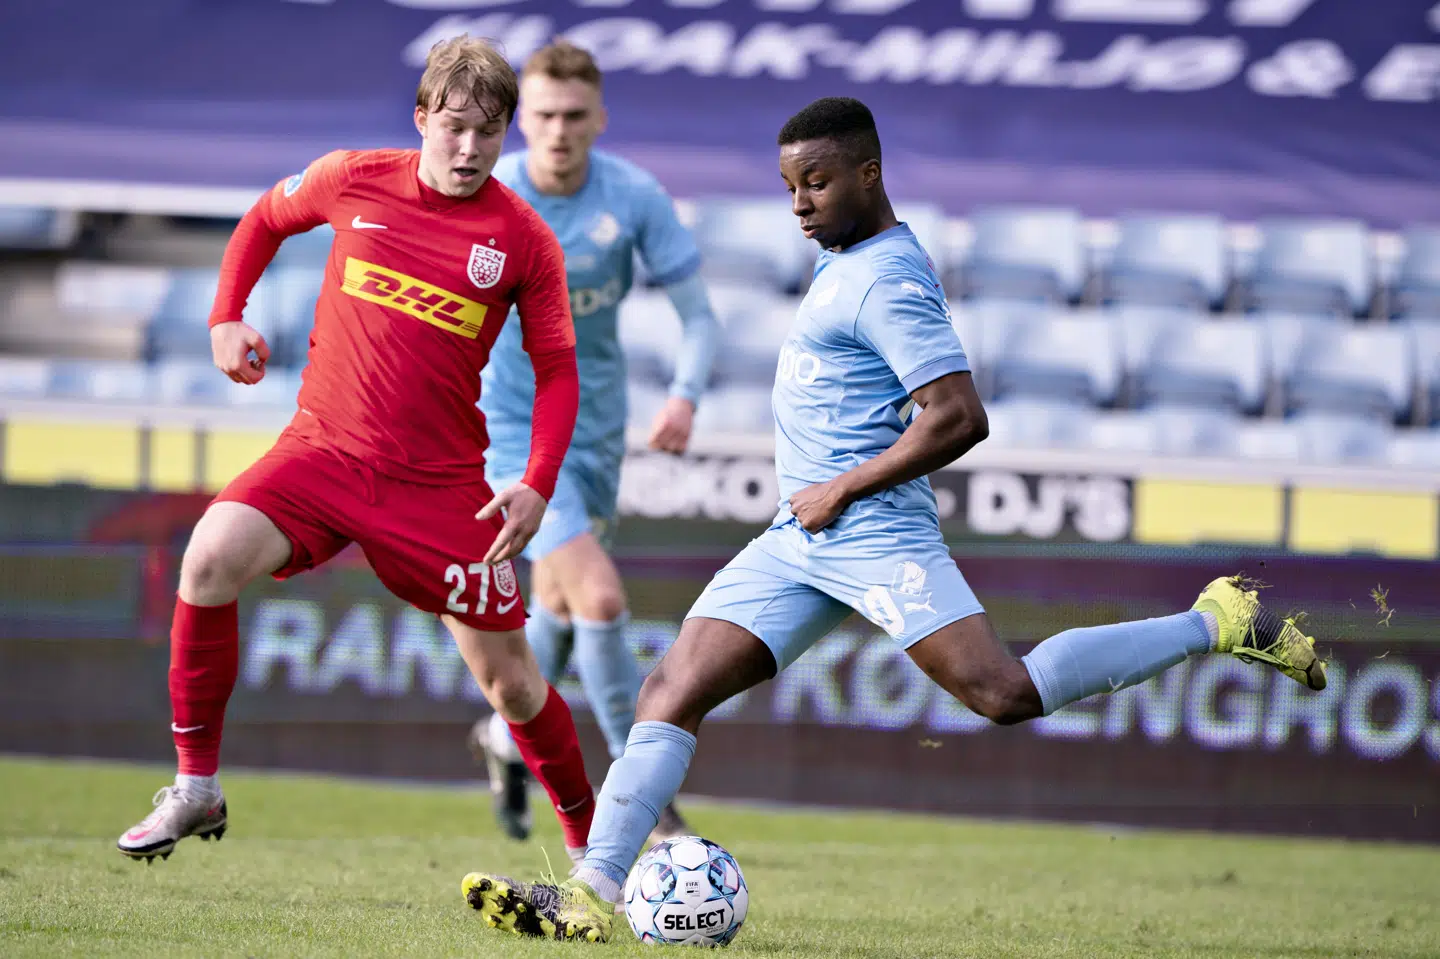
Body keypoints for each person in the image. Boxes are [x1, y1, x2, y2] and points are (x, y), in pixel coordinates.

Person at [456, 96, 1328, 942]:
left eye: (819, 183)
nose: (800, 204)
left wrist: (844, 487)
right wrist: (822, 500)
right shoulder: (848, 260)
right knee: (669, 690)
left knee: (1003, 692)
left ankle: (1216, 619)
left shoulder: (888, 281)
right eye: (791, 185)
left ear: (870, 175)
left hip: (872, 532)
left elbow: (957, 415)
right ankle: (590, 895)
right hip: (798, 540)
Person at [117, 36, 600, 865]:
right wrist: (226, 314)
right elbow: (267, 218)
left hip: (439, 486)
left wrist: (536, 483)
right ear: (421, 118)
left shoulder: (523, 241)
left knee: (513, 685)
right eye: (452, 127)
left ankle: (598, 851)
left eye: (489, 132)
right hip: (323, 453)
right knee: (207, 560)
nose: (468, 148)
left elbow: (558, 371)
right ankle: (197, 786)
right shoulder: (352, 176)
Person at [468, 40, 720, 847]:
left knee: (563, 608)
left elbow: (702, 321)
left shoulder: (633, 196)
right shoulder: (491, 193)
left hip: (597, 432)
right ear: (519, 121)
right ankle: (640, 797)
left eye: (575, 116)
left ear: (599, 119)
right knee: (604, 598)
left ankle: (505, 736)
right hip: (509, 430)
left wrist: (683, 395)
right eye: (541, 115)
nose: (558, 130)